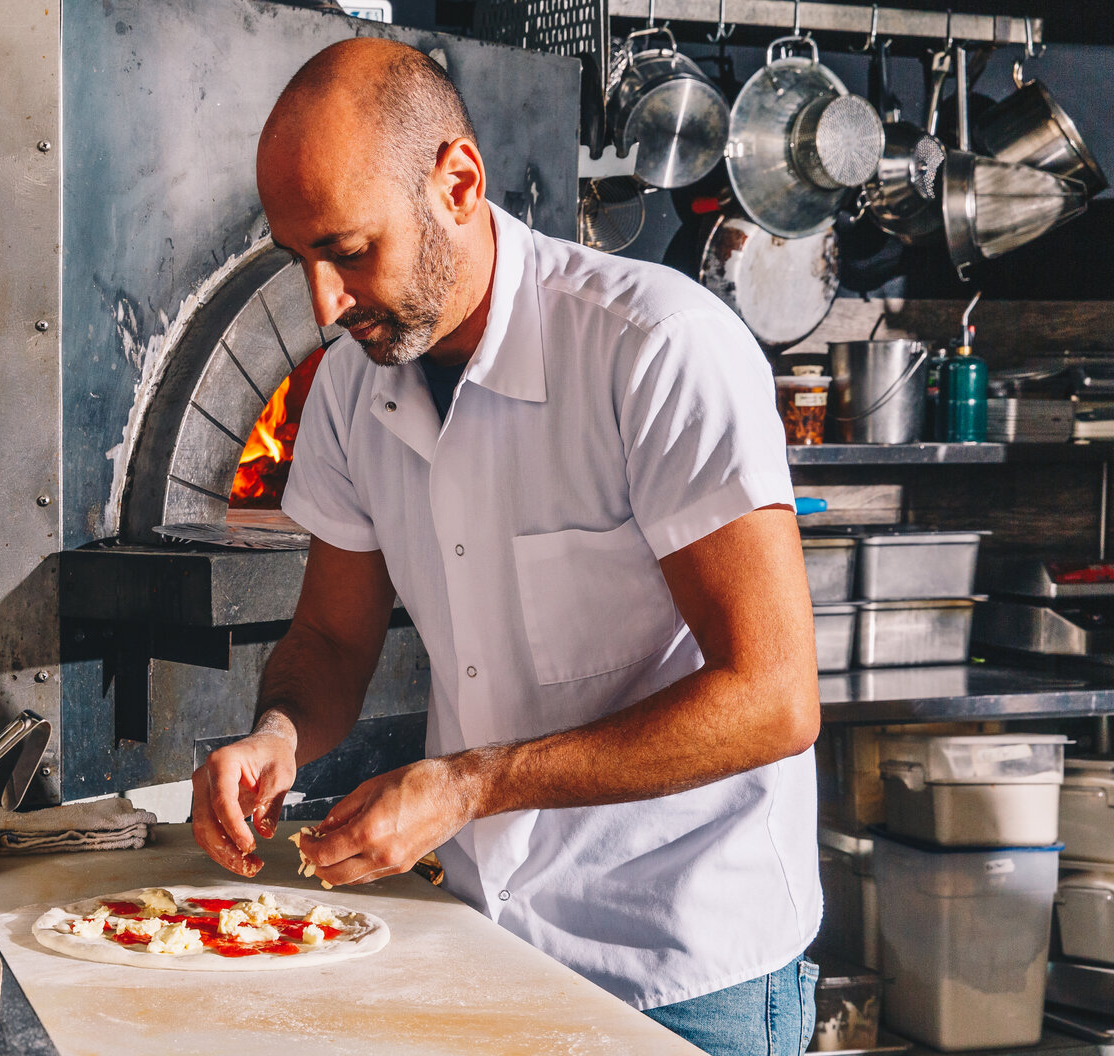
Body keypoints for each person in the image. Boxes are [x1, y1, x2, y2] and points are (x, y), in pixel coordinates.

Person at [191, 36, 822, 1056]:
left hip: (684, 970)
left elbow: (774, 698)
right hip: (482, 942)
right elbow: (331, 642)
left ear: (458, 183)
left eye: (348, 251)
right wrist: (278, 734)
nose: (324, 304)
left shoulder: (658, 349)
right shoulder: (350, 388)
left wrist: (468, 784)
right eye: (300, 259)